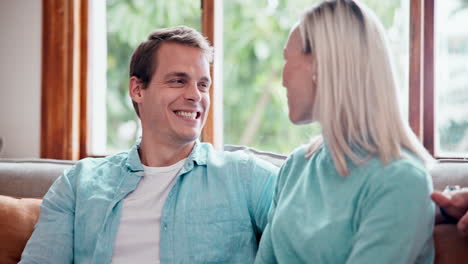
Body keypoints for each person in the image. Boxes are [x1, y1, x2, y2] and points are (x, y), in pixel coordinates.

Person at [20, 26, 277, 263]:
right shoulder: (77, 185)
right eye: (178, 81)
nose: (195, 95)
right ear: (137, 90)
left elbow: (309, 229)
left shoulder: (244, 176)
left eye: (203, 85)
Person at [255, 0, 435, 263]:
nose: (282, 79)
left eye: (286, 60)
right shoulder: (296, 167)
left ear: (321, 66)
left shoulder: (401, 182)